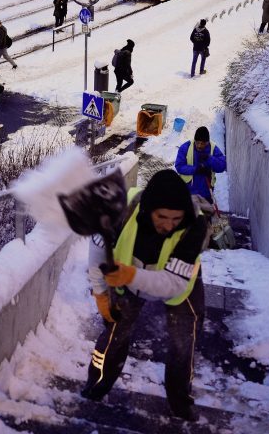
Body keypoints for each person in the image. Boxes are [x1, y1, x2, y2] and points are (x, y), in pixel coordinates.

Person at [81, 169, 208, 422]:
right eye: (162, 217)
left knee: (184, 342)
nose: (169, 225)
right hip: (127, 284)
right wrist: (100, 293)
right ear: (148, 209)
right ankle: (97, 385)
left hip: (179, 288)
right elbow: (97, 251)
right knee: (113, 335)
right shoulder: (120, 209)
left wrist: (130, 275)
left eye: (176, 218)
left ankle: (180, 401)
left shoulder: (197, 225)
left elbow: (173, 283)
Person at [174, 126, 227, 203]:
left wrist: (209, 158)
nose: (199, 145)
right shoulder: (185, 147)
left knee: (205, 214)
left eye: (202, 143)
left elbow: (222, 166)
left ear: (207, 142)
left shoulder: (213, 148)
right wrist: (196, 169)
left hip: (206, 193)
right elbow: (179, 166)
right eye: (197, 142)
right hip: (188, 191)